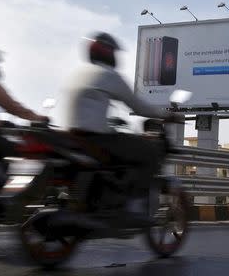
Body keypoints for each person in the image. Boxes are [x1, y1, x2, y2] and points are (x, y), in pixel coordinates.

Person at [66, 32, 182, 216]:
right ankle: (134, 204)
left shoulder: (77, 74)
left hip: (70, 137)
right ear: (109, 53)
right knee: (149, 151)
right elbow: (137, 105)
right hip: (96, 139)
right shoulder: (109, 75)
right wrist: (166, 116)